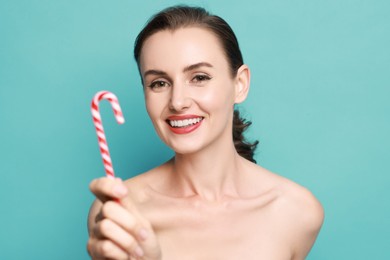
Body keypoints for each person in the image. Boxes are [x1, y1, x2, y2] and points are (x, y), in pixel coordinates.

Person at [87, 5, 324, 260]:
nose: (177, 102)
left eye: (199, 77)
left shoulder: (297, 211)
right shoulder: (119, 212)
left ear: (240, 84)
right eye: (159, 83)